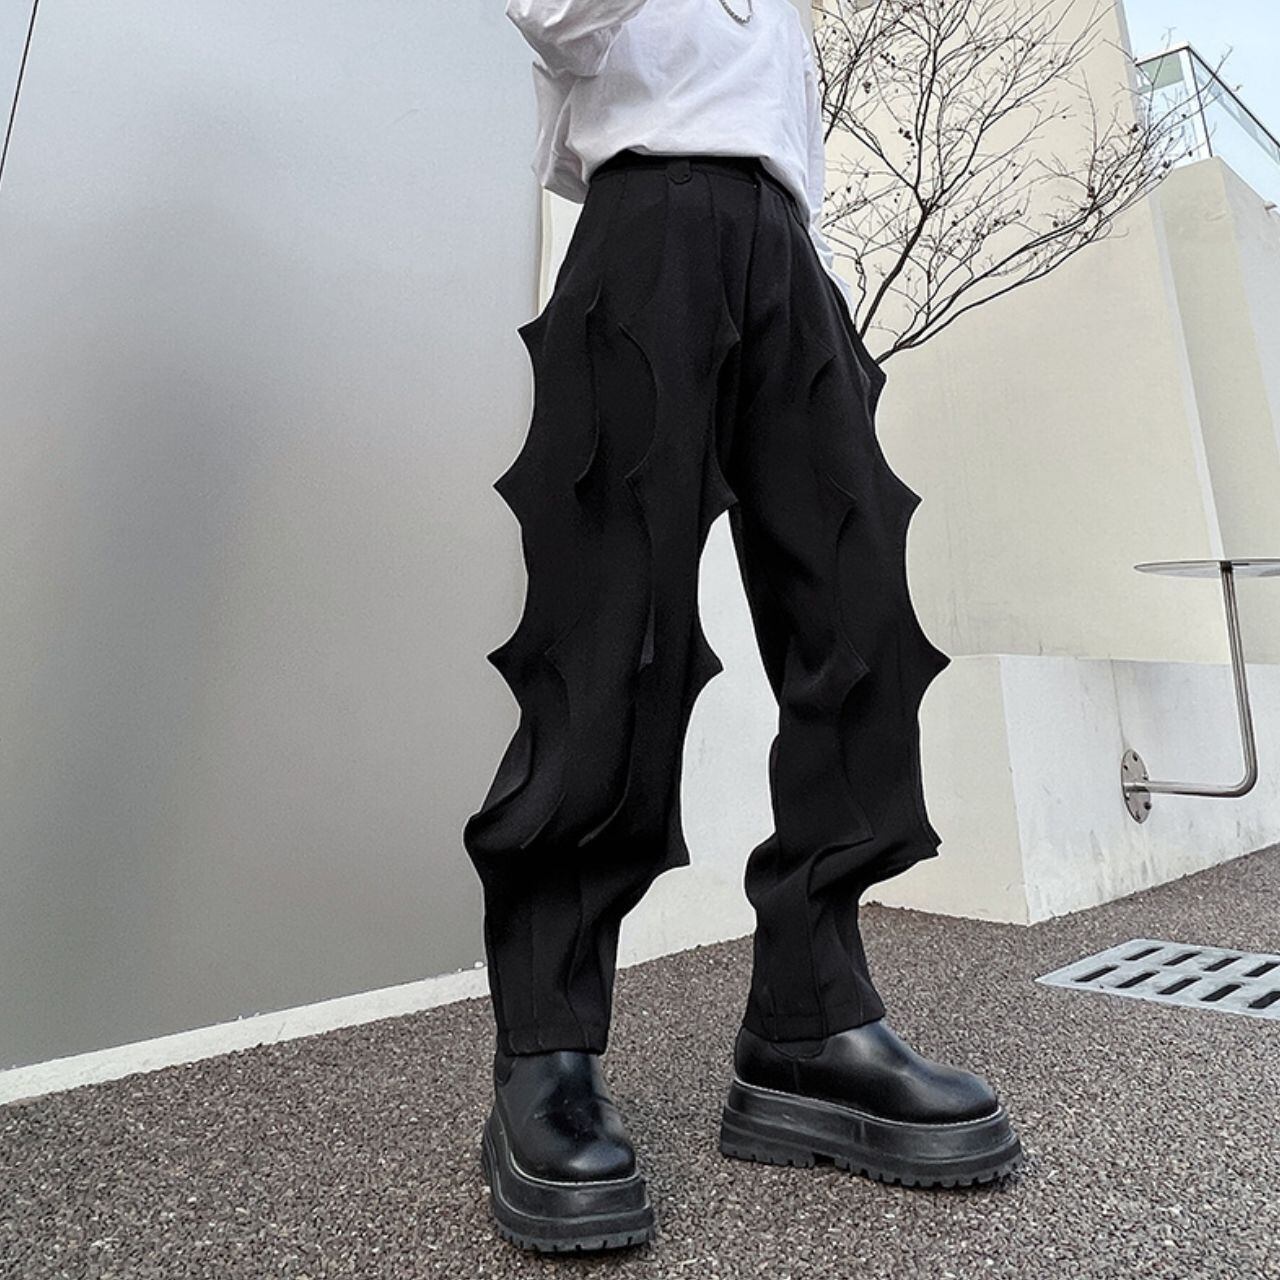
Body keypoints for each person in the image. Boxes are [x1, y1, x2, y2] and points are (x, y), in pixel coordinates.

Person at [464, 0, 1024, 1253]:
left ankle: (806, 1021)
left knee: (859, 620)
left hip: (786, 245)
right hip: (646, 221)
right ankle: (545, 1046)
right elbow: (552, 19)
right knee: (610, 634)